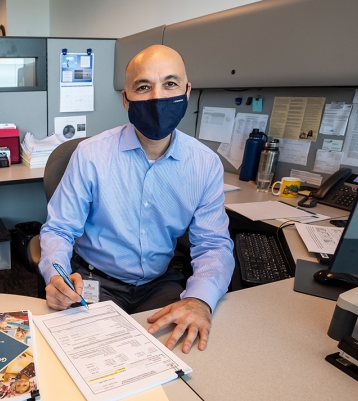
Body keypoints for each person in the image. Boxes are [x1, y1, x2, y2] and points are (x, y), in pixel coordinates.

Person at [38, 45, 234, 354]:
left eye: (170, 84)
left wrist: (199, 300)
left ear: (187, 90)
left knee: (180, 356)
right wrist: (57, 276)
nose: (158, 97)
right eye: (144, 87)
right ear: (126, 98)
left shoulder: (205, 164)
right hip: (94, 279)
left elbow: (214, 246)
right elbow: (59, 230)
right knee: (83, 357)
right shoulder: (92, 154)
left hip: (158, 284)